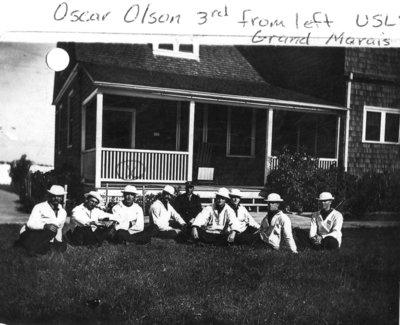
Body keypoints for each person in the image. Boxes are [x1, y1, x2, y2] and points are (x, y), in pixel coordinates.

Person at [14, 185, 67, 256]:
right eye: (54, 196)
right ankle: (31, 249)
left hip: (48, 237)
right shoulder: (40, 207)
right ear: (49, 195)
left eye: (59, 196)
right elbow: (30, 224)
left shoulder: (63, 212)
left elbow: (59, 228)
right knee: (51, 230)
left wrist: (59, 241)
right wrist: (45, 226)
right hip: (31, 233)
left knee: (62, 246)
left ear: (62, 197)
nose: (56, 198)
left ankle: (31, 246)